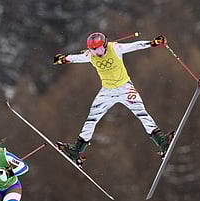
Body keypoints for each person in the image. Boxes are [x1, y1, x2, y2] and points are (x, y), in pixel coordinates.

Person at [53, 32, 175, 166]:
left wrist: (152, 43)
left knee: (142, 114)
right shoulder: (91, 56)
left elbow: (134, 46)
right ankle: (77, 149)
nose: (97, 53)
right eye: (93, 50)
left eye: (99, 49)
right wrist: (64, 59)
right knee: (91, 119)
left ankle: (162, 142)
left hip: (125, 88)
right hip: (107, 92)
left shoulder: (115, 48)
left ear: (105, 45)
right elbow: (77, 58)